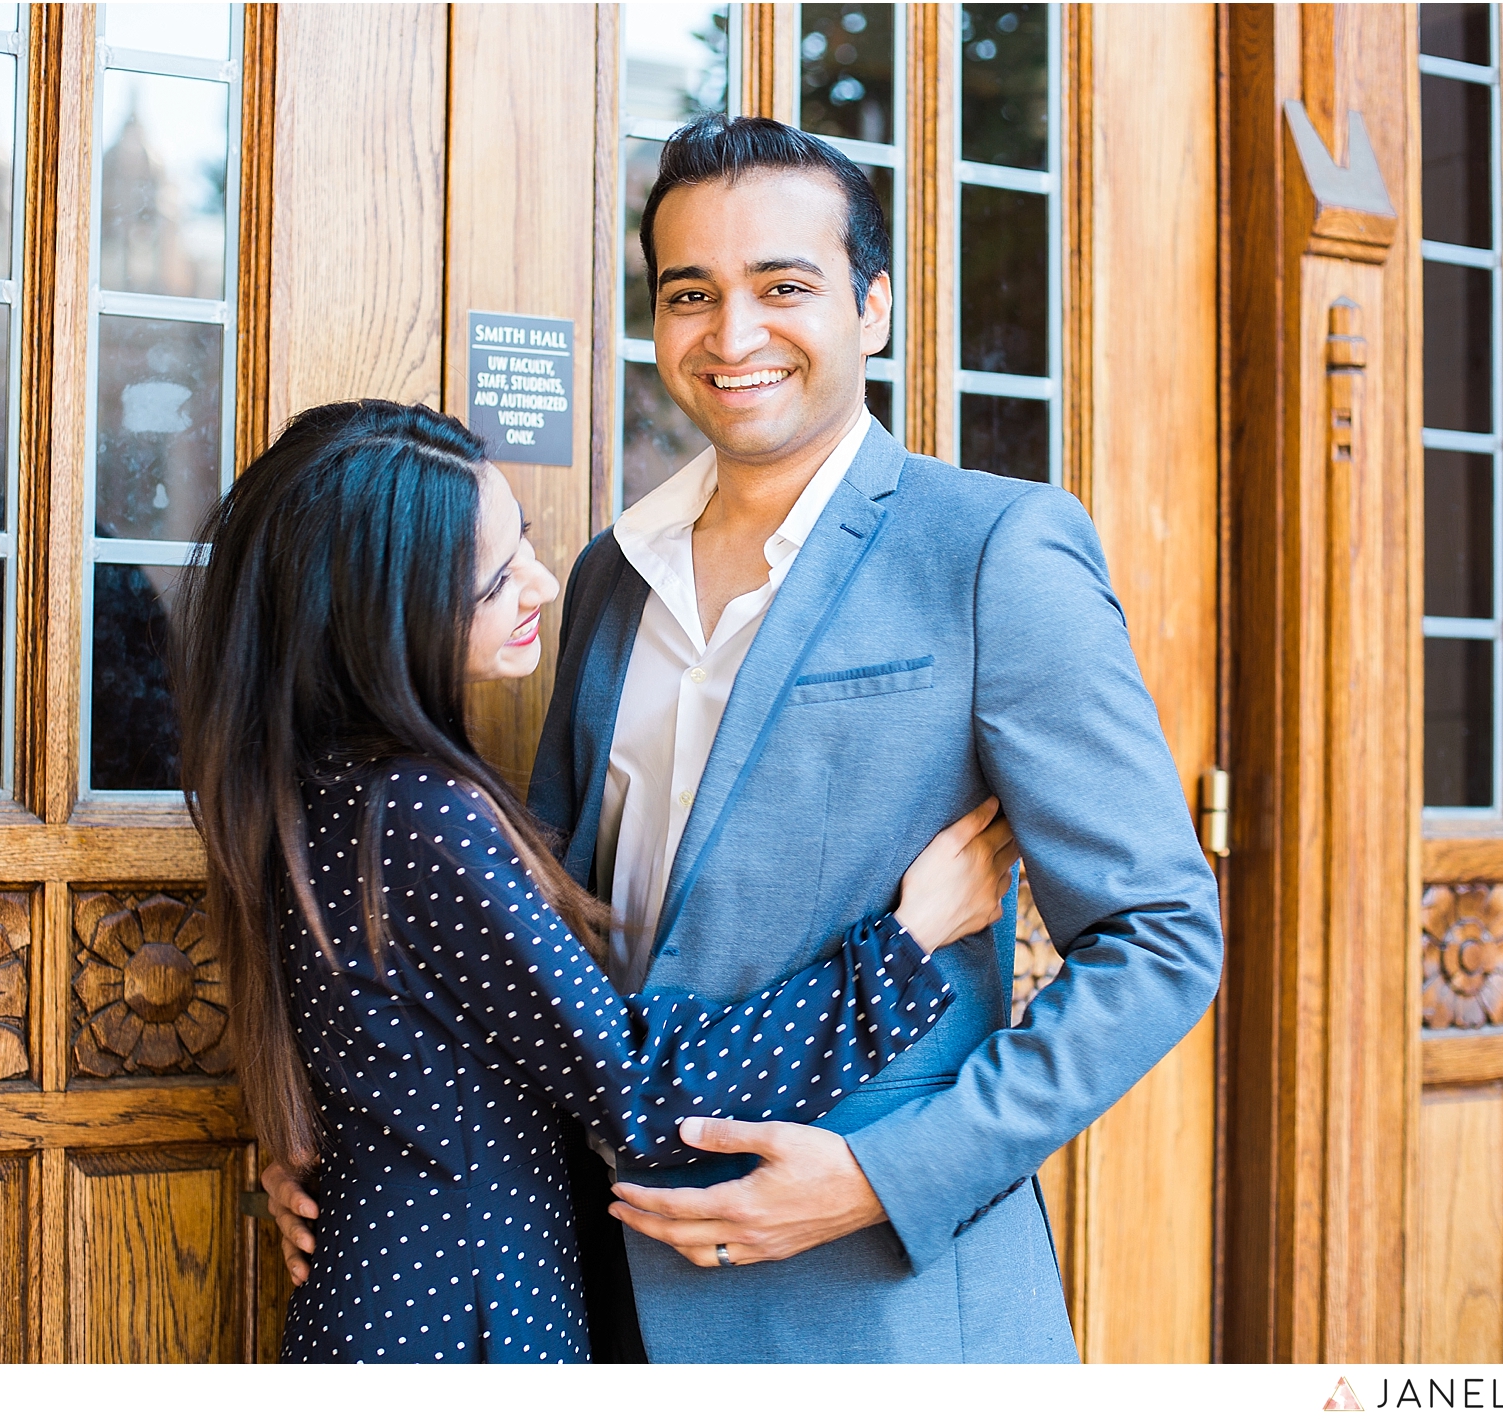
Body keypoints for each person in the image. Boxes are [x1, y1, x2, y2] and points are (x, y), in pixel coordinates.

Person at [269, 114, 1224, 1363]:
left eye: (783, 286)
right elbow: (548, 943)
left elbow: (1158, 939)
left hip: (872, 1307)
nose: (732, 336)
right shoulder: (606, 576)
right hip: (601, 1291)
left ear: (870, 306)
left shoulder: (996, 551)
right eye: (689, 294)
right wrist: (380, 1143)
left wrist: (886, 1177)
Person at [173, 398, 1021, 1362]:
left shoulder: (312, 785)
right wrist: (905, 948)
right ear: (389, 615)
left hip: (390, 1287)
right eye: (496, 580)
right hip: (460, 1318)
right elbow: (644, 1091)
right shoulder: (416, 809)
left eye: (524, 542)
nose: (542, 580)